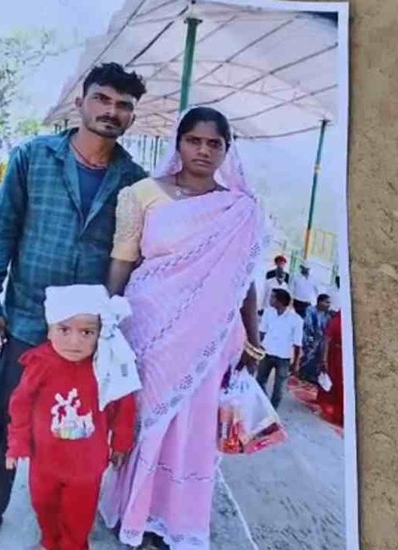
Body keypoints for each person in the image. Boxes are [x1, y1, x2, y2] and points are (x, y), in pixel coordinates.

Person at [0, 62, 148, 549]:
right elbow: (2, 232)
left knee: (77, 426)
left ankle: (62, 520)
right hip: (29, 319)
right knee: (5, 419)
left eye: (123, 105)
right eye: (102, 99)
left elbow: (136, 256)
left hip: (89, 335)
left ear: (131, 116)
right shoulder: (34, 158)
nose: (111, 111)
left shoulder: (134, 182)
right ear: (81, 102)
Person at [99, 107, 267, 549]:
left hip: (209, 340)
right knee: (143, 420)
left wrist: (253, 339)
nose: (203, 151)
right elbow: (122, 260)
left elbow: (244, 279)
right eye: (194, 140)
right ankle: (133, 512)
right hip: (148, 329)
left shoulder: (239, 208)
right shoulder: (142, 194)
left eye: (214, 143)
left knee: (192, 427)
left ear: (227, 151)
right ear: (179, 143)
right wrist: (107, 320)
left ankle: (173, 520)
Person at [5, 285, 137, 550]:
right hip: (45, 463)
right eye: (64, 330)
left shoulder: (107, 366)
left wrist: (121, 443)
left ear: (100, 333)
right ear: (49, 330)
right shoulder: (41, 363)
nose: (74, 342)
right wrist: (17, 443)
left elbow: (124, 405)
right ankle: (50, 542)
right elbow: (21, 404)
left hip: (87, 468)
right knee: (43, 505)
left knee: (79, 517)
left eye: (86, 332)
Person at [256, 288, 303, 408]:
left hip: (283, 357)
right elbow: (261, 332)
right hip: (267, 353)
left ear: (280, 301)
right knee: (259, 381)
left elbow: (297, 344)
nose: (270, 299)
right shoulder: (268, 312)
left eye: (273, 297)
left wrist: (296, 363)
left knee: (279, 389)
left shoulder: (296, 319)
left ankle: (273, 410)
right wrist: (256, 350)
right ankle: (266, 406)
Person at [316, 310, 344, 426]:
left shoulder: (337, 321)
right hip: (336, 355)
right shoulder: (336, 322)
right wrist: (324, 359)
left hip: (340, 355)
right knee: (336, 382)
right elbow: (327, 340)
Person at [297, 293, 333, 384]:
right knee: (309, 354)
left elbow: (327, 330)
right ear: (320, 302)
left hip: (320, 340)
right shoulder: (310, 310)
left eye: (329, 303)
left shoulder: (327, 316)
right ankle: (303, 373)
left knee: (318, 356)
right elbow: (308, 326)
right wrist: (312, 339)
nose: (329, 305)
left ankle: (312, 375)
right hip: (309, 337)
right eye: (327, 302)